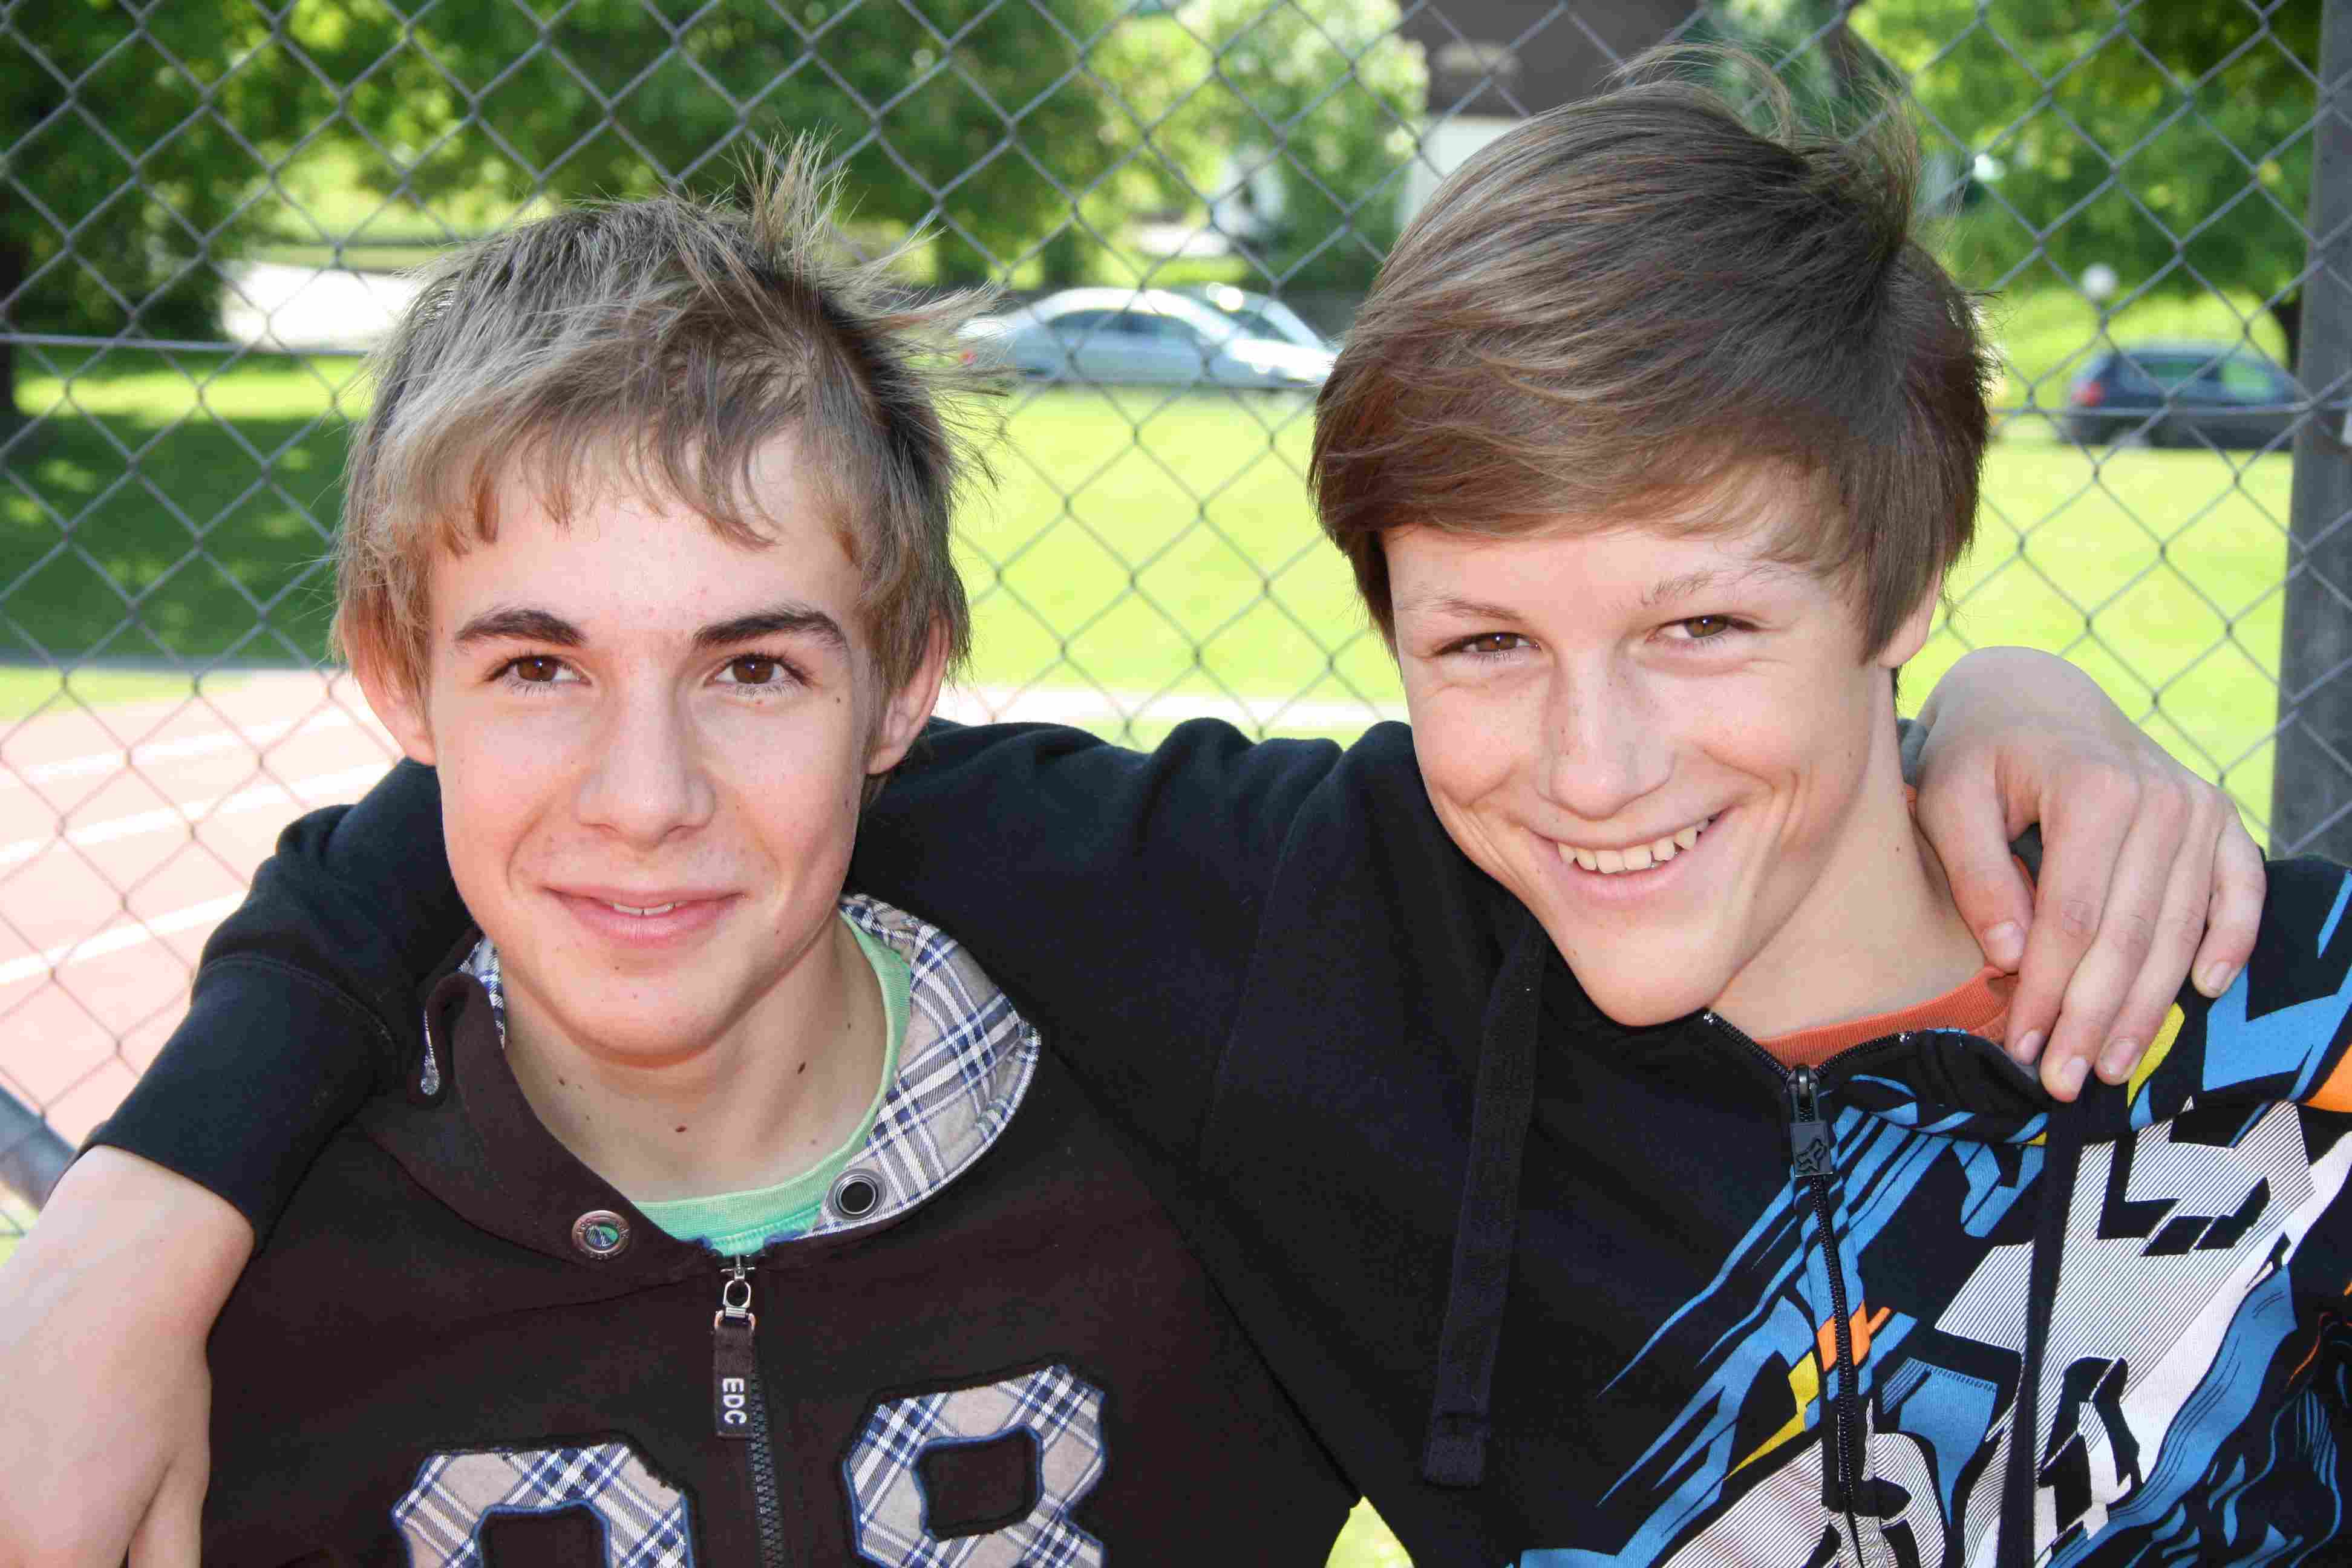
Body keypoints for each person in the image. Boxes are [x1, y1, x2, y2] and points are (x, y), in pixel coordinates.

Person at [0, 57, 2270, 1567]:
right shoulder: (1305, 945)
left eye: (761, 666)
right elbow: (531, 832)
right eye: (1483, 643)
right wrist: (137, 1223)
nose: (1593, 763)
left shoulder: (2277, 1031)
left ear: (902, 684)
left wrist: (1996, 707)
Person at [9, 150, 1357, 1564]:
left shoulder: (1196, 1174)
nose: (646, 801)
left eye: (755, 670)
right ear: (400, 681)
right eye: (539, 669)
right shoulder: (244, 1306)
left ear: (903, 686)